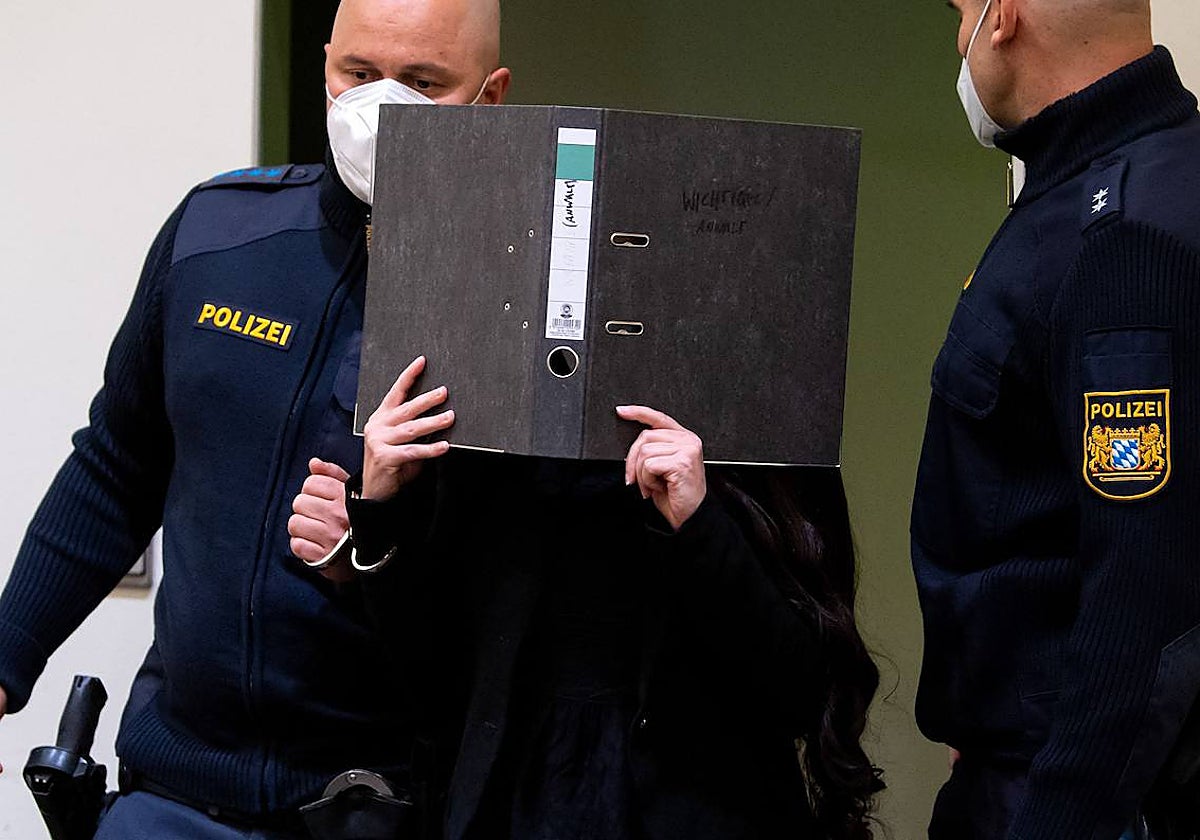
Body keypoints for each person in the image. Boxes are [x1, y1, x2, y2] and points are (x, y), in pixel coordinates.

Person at [0, 0, 510, 836]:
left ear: (489, 99)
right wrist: (6, 658)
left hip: (378, 802)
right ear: (324, 69)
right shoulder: (220, 231)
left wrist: (375, 540)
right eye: (359, 73)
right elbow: (116, 465)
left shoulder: (519, 306)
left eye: (422, 82)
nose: (382, 103)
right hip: (171, 790)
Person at [292, 356, 885, 839]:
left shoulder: (755, 413)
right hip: (513, 800)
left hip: (696, 807)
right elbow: (427, 687)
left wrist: (700, 524)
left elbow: (810, 693)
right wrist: (381, 511)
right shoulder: (480, 424)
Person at [912, 0, 1200, 837]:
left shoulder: (1129, 234)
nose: (957, 35)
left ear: (1002, 18)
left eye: (959, 11)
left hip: (1070, 799)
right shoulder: (1093, 186)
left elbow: (1146, 604)